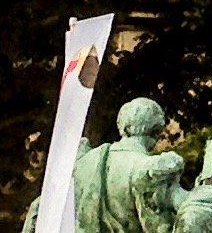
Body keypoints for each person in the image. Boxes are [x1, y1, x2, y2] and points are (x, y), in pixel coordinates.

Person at [73, 97, 184, 233]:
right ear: (156, 130)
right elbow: (160, 228)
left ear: (122, 126)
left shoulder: (86, 161)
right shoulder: (150, 168)